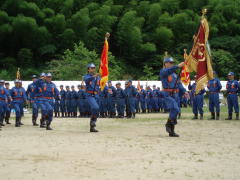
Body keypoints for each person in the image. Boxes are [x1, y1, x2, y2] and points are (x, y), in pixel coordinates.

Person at [160, 56, 185, 137]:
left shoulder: (174, 75)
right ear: (165, 63)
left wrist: (184, 91)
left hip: (175, 94)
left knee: (175, 112)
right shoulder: (163, 71)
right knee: (175, 108)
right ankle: (168, 124)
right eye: (170, 63)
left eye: (172, 63)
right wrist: (177, 66)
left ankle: (172, 131)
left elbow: (179, 84)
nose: (171, 64)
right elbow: (169, 71)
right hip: (167, 94)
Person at [84, 63, 101, 132]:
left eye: (94, 68)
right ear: (88, 69)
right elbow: (87, 80)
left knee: (97, 110)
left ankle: (92, 125)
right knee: (95, 107)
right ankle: (92, 122)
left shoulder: (98, 77)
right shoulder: (86, 76)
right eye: (91, 68)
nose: (93, 69)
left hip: (97, 95)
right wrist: (94, 76)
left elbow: (100, 85)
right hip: (89, 95)